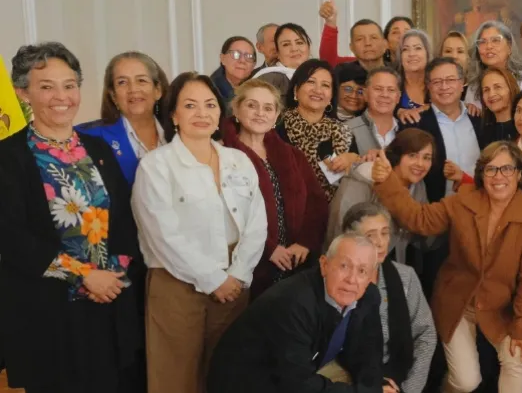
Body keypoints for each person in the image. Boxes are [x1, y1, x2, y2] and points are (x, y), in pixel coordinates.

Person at [0, 41, 143, 393]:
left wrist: (114, 278)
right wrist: (84, 276)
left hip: (108, 302)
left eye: (69, 85)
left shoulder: (97, 148)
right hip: (48, 310)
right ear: (22, 93)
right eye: (45, 86)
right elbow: (11, 237)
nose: (60, 96)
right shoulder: (8, 156)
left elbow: (125, 219)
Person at [371, 141, 522, 393]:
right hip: (458, 303)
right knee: (466, 382)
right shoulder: (463, 200)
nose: (498, 177)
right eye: (490, 169)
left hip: (504, 309)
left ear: (519, 173)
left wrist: (521, 327)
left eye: (507, 169)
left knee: (517, 366)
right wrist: (387, 180)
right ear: (481, 175)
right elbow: (419, 219)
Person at [132, 72, 268, 393]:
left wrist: (239, 274)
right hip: (176, 283)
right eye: (190, 105)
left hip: (235, 281)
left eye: (209, 105)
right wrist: (213, 280)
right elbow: (162, 235)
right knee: (175, 378)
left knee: (227, 372)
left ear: (220, 113)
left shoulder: (238, 161)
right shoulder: (156, 166)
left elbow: (257, 223)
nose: (202, 113)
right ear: (174, 115)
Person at [206, 233, 386, 393]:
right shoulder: (295, 303)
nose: (352, 279)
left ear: (371, 277)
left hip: (296, 373)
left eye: (362, 271)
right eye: (344, 266)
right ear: (324, 265)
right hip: (246, 381)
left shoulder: (368, 296)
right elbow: (297, 384)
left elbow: (369, 355)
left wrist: (372, 389)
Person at [221, 79, 328, 300]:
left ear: (276, 115)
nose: (260, 113)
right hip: (246, 266)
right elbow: (226, 216)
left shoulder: (292, 155)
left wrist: (304, 243)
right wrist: (268, 249)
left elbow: (316, 203)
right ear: (236, 110)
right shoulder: (222, 155)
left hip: (294, 262)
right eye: (252, 105)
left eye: (268, 108)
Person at [341, 203, 438, 393]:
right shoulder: (338, 280)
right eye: (370, 235)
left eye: (385, 233)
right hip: (346, 378)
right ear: (349, 238)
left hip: (397, 377)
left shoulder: (406, 276)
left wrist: (409, 389)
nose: (380, 242)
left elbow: (425, 334)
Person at [327, 128, 435, 260]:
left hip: (389, 263)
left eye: (426, 158)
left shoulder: (418, 186)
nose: (420, 164)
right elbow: (340, 228)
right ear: (397, 155)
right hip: (351, 263)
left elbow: (423, 234)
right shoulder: (364, 177)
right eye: (412, 155)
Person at [75, 51, 169, 186]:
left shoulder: (178, 134)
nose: (133, 89)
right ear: (113, 95)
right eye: (122, 82)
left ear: (157, 90)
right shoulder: (87, 137)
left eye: (141, 80)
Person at [277, 59, 361, 200]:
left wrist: (353, 159)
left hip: (333, 215)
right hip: (288, 210)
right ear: (296, 90)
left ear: (331, 96)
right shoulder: (276, 127)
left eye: (325, 85)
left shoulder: (343, 133)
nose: (318, 90)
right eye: (311, 82)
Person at [412, 58, 485, 203]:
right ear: (428, 86)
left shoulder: (480, 119)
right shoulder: (416, 123)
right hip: (435, 211)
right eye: (437, 82)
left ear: (462, 83)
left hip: (480, 206)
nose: (444, 86)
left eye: (450, 80)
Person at [464, 21, 522, 109]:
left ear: (509, 46)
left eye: (495, 40)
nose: (489, 46)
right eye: (482, 42)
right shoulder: (474, 84)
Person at [345, 67, 402, 157]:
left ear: (398, 97)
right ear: (365, 94)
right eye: (378, 89)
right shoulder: (346, 130)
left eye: (391, 90)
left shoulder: (406, 129)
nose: (385, 95)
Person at [319, 0, 390, 69]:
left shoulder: (397, 73)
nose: (367, 43)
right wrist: (331, 22)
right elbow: (328, 63)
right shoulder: (343, 71)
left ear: (385, 44)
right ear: (351, 47)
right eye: (360, 39)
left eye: (374, 38)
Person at [397, 29, 435, 120]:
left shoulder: (438, 83)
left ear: (427, 53)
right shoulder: (393, 84)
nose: (411, 54)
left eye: (417, 48)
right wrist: (397, 111)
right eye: (405, 49)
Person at [211, 36, 257, 106]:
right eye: (236, 54)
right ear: (222, 59)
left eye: (249, 56)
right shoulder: (210, 90)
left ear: (253, 65)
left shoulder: (259, 87)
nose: (242, 61)